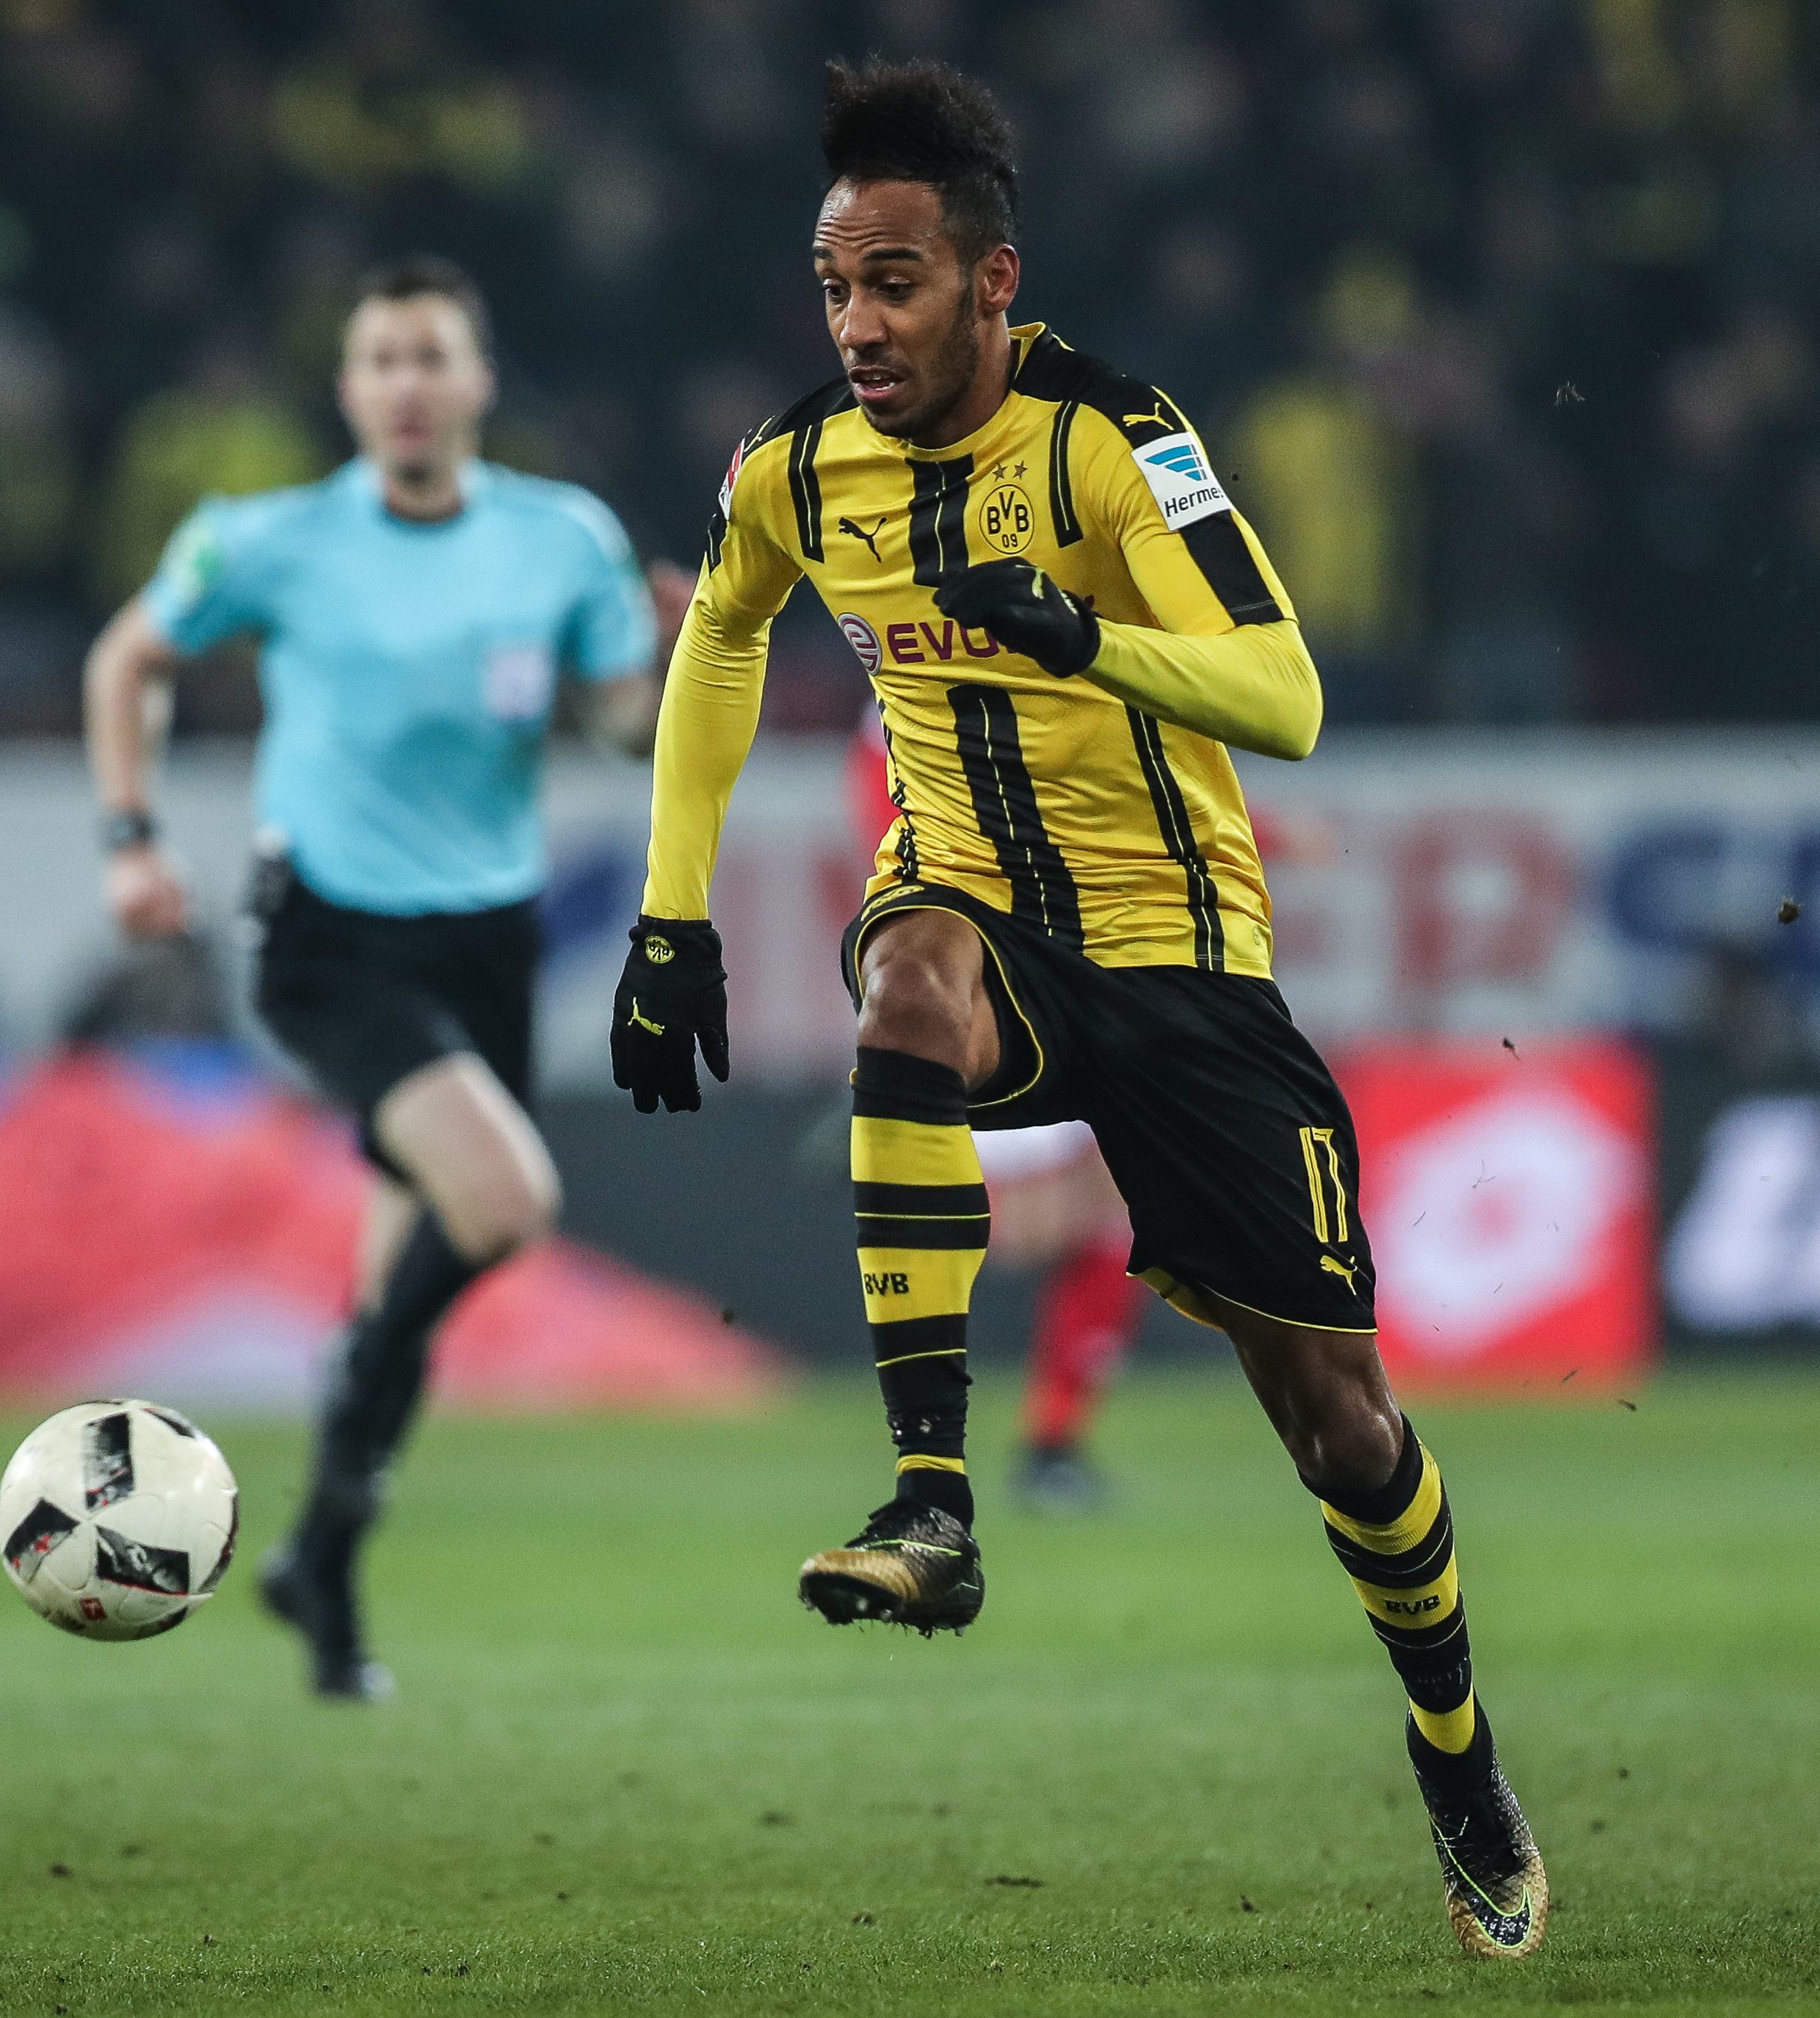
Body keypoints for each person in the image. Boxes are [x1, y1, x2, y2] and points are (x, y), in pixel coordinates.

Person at [607, 61, 1546, 1960]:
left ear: (990, 281)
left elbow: (1283, 695)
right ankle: (933, 1499)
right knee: (904, 979)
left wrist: (1076, 632)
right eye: (831, 285)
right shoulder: (794, 467)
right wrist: (668, 918)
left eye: (891, 281)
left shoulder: (1121, 440)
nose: (856, 323)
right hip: (976, 911)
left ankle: (1459, 1760)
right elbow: (719, 632)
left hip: (1182, 959)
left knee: (1338, 1427)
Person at [84, 255, 674, 1702]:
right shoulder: (270, 539)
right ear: (350, 391)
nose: (409, 385)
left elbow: (622, 731)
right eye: (382, 361)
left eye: (433, 358)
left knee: (408, 1263)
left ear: (478, 383)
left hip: (484, 938)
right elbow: (127, 661)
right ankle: (342, 1443)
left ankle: (325, 1582)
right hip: (326, 939)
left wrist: (674, 654)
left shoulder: (562, 541)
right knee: (507, 1201)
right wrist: (130, 841)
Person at [848, 704, 1149, 1511]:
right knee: (1058, 1228)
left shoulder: (1004, 679)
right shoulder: (910, 708)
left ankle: (1046, 1442)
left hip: (1050, 983)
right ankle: (949, 1451)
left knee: (1107, 1224)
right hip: (985, 991)